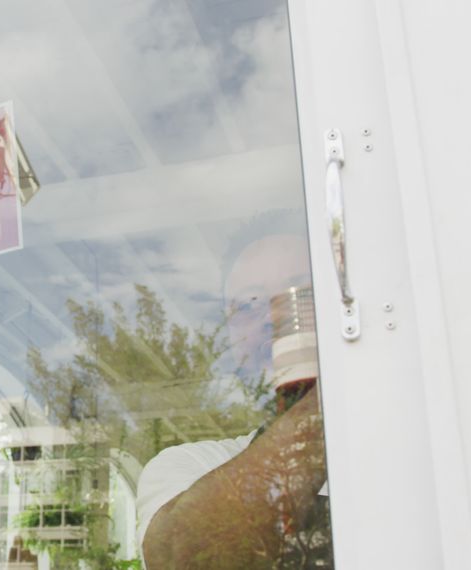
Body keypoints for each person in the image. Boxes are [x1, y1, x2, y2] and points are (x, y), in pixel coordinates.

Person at [135, 235, 331, 569]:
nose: (274, 315)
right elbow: (181, 559)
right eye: (250, 304)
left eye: (304, 294)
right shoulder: (193, 466)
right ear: (231, 336)